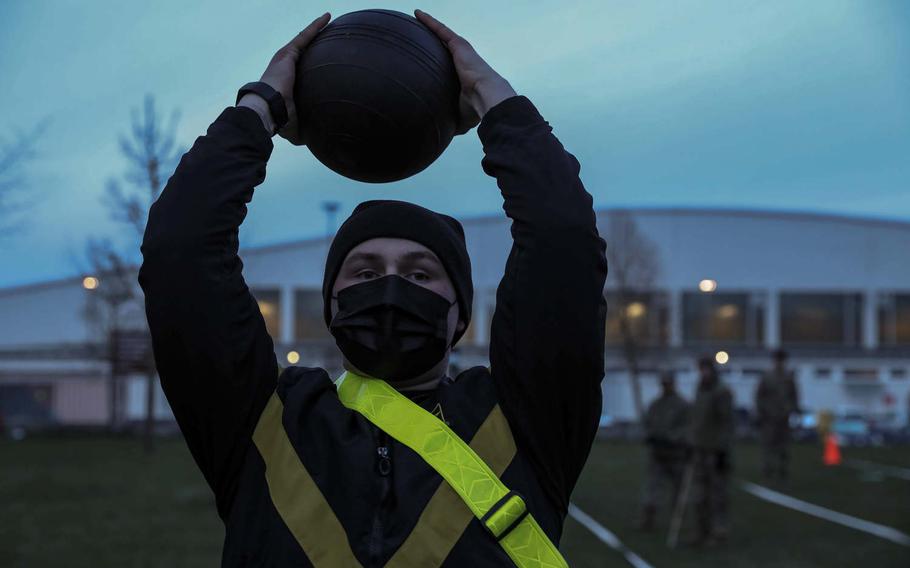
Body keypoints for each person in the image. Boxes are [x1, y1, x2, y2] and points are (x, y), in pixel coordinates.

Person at [138, 9, 608, 567]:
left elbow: (562, 238)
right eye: (363, 272)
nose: (389, 287)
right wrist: (259, 107)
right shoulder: (264, 422)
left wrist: (493, 98)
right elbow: (181, 249)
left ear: (460, 315)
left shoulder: (525, 421)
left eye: (419, 274)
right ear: (332, 306)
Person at [687, 356, 734, 546]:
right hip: (699, 449)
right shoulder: (700, 390)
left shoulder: (722, 392)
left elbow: (726, 423)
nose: (703, 373)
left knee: (717, 495)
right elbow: (696, 420)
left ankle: (718, 531)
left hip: (715, 451)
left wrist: (723, 450)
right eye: (701, 369)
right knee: (699, 495)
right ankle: (701, 531)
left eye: (706, 369)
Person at [637, 371, 690, 531]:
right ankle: (648, 520)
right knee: (652, 489)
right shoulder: (656, 404)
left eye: (668, 383)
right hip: (657, 454)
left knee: (678, 490)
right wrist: (650, 436)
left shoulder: (683, 405)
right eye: (664, 384)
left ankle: (677, 521)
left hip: (676, 454)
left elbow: (687, 428)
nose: (666, 387)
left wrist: (672, 438)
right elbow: (648, 423)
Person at [755, 349, 800, 479]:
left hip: (784, 417)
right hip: (769, 417)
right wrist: (760, 411)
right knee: (767, 445)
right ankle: (767, 469)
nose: (779, 362)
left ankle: (782, 470)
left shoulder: (788, 377)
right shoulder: (767, 377)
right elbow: (759, 396)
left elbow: (794, 395)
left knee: (784, 447)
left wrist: (794, 409)